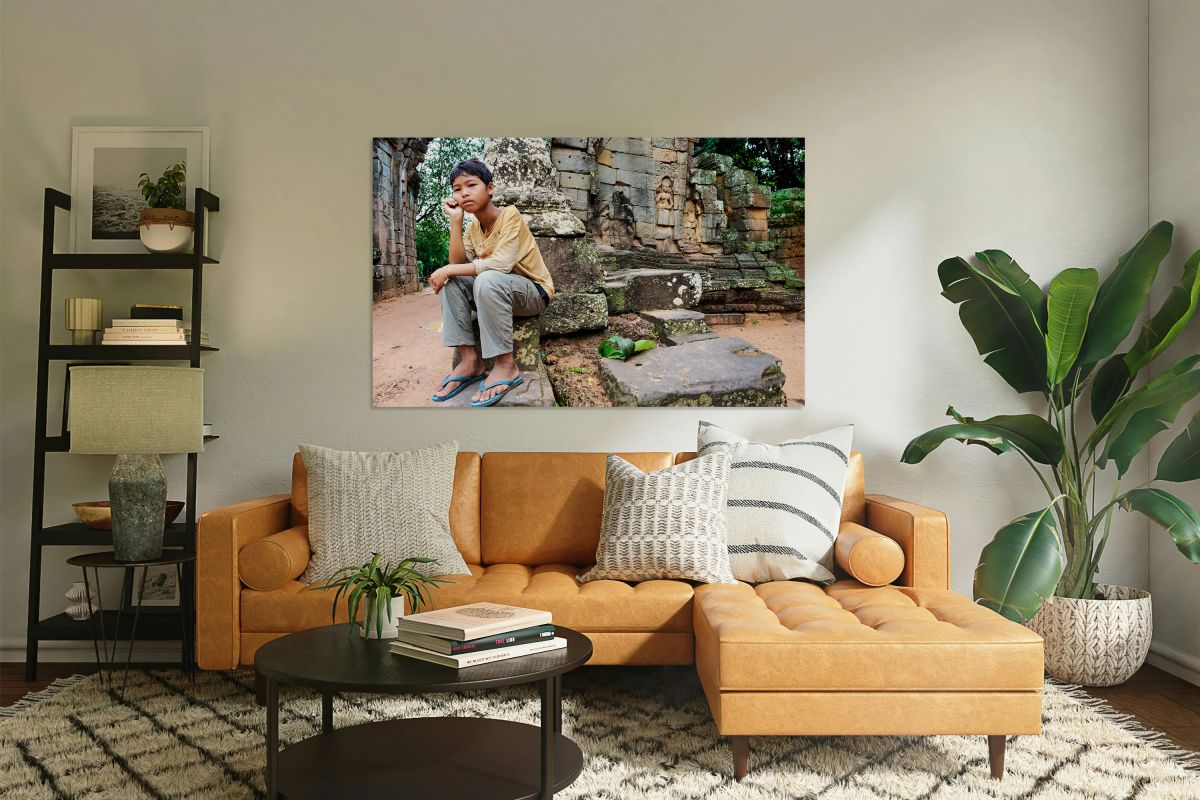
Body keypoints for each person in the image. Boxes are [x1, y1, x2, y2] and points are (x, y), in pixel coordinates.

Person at [428, 158, 555, 406]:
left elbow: (502, 264)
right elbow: (457, 265)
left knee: (485, 277)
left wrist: (449, 268)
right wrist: (456, 222)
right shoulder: (472, 228)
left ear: (490, 188)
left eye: (471, 185)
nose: (464, 193)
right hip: (496, 290)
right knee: (451, 281)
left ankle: (506, 365)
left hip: (533, 292)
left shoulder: (510, 215)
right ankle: (469, 361)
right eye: (457, 188)